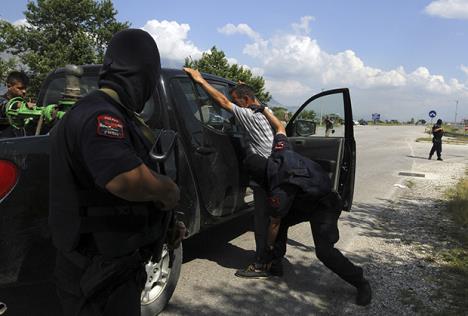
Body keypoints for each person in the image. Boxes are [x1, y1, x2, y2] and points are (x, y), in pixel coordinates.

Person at [49, 29, 180, 316]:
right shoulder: (101, 115)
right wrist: (167, 190)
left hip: (106, 268)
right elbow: (124, 180)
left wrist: (163, 225)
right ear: (143, 76)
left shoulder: (110, 112)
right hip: (98, 275)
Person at [240, 107, 372, 306]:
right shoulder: (280, 150)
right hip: (305, 200)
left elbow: (274, 224)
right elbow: (280, 127)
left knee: (324, 252)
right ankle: (276, 265)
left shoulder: (279, 186)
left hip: (325, 205)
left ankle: (361, 282)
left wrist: (267, 246)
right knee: (282, 221)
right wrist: (263, 109)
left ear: (260, 176)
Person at [183, 68, 275, 277]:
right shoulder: (264, 111)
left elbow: (222, 102)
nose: (234, 103)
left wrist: (200, 80)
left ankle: (262, 264)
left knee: (262, 220)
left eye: (237, 99)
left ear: (245, 100)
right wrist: (244, 90)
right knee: (275, 219)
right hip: (277, 170)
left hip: (265, 174)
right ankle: (274, 261)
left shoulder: (248, 115)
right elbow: (252, 100)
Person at [0, 71, 32, 137]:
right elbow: (4, 107)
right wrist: (22, 106)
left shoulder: (26, 101)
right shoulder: (2, 101)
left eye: (25, 88)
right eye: (20, 88)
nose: (24, 91)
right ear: (9, 86)